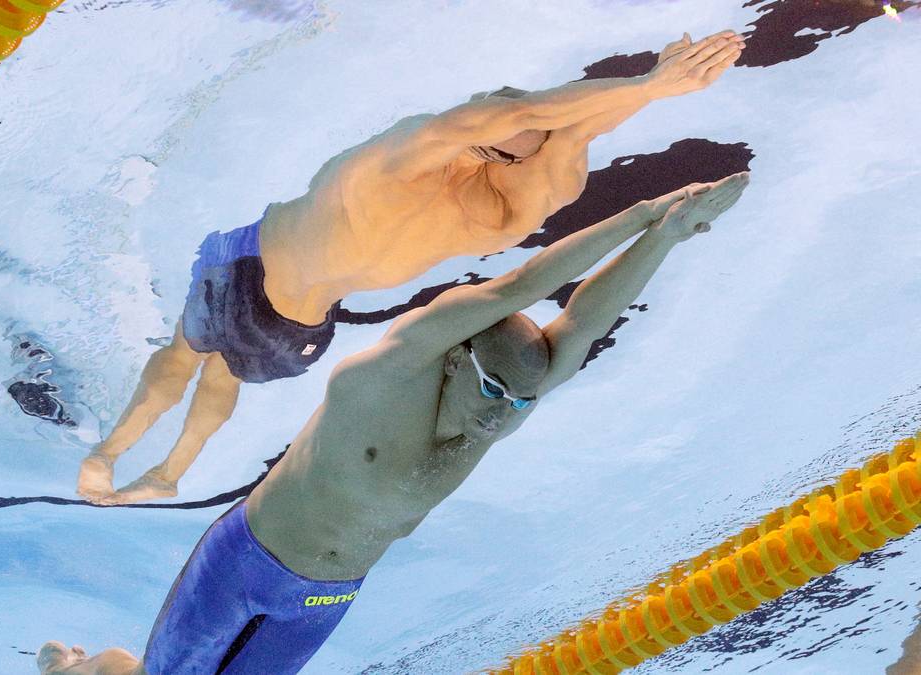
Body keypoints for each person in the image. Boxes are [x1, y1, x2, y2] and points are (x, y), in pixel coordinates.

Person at [38, 171, 753, 673]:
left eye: (510, 401)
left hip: (324, 597)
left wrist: (670, 236)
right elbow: (526, 284)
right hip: (247, 562)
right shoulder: (395, 363)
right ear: (458, 364)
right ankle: (76, 670)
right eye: (499, 393)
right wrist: (642, 211)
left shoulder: (489, 412)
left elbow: (578, 329)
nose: (502, 412)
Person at [77, 30, 747, 506]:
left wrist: (652, 85)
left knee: (188, 359)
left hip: (258, 269)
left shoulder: (414, 157)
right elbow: (561, 128)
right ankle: (164, 469)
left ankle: (115, 457)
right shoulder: (503, 209)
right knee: (221, 372)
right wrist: (652, 89)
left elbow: (537, 118)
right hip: (303, 326)